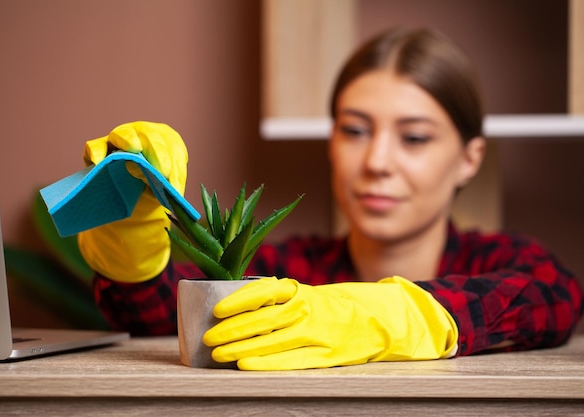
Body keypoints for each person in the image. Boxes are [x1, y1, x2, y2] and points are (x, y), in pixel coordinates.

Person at [78, 27, 583, 370]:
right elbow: (150, 316)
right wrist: (130, 228)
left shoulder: (502, 259)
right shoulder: (283, 267)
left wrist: (385, 316)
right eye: (356, 130)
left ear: (470, 159)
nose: (378, 161)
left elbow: (554, 296)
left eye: (414, 137)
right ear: (332, 142)